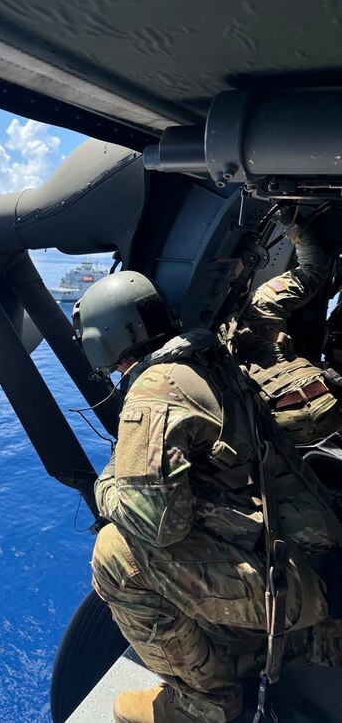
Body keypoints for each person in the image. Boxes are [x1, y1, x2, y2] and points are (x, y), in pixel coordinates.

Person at [73, 270, 342, 723]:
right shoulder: (204, 356)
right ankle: (281, 643)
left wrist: (105, 487)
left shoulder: (154, 391)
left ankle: (204, 705)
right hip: (317, 561)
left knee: (116, 557)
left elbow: (156, 523)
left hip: (295, 586)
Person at [235, 209, 342, 446]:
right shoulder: (262, 305)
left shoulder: (206, 338)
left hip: (276, 428)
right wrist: (292, 222)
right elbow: (313, 271)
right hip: (322, 400)